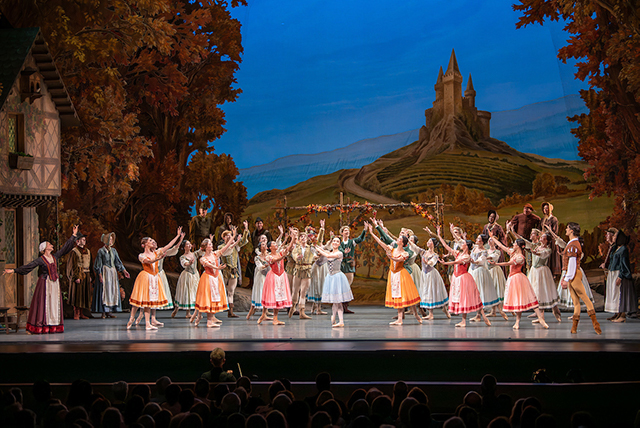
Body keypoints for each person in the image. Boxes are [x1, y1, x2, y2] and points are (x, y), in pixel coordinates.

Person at [4, 226, 79, 333]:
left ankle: (54, 325)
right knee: (45, 304)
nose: (51, 245)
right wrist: (14, 270)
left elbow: (64, 249)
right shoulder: (41, 260)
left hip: (54, 284)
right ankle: (43, 325)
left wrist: (74, 235)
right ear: (44, 248)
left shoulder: (55, 257)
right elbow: (29, 266)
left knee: (54, 304)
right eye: (49, 244)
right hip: (45, 283)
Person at [127, 227, 184, 330]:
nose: (151, 242)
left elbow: (169, 245)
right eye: (149, 241)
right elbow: (148, 262)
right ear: (144, 244)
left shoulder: (156, 252)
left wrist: (177, 235)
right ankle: (132, 318)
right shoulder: (142, 255)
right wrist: (157, 259)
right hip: (146, 277)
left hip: (154, 277)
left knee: (149, 301)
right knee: (139, 299)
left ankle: (148, 323)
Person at [366, 222, 422, 325]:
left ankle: (416, 314)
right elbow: (380, 242)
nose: (397, 239)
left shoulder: (406, 252)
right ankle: (400, 319)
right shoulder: (392, 249)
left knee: (407, 295)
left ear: (402, 242)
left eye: (400, 239)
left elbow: (400, 258)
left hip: (402, 274)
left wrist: (391, 257)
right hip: (393, 274)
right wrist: (371, 232)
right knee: (398, 295)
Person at [434, 226, 490, 328]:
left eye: (463, 244)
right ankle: (469, 319)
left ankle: (475, 318)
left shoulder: (467, 256)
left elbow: (457, 262)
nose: (461, 244)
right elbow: (446, 246)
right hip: (457, 278)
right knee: (460, 298)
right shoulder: (458, 253)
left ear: (467, 246)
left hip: (463, 278)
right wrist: (438, 235)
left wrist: (446, 262)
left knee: (466, 298)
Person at [489, 237, 549, 330]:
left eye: (515, 243)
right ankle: (517, 321)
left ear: (519, 246)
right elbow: (501, 246)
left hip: (518, 278)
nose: (513, 244)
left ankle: (541, 318)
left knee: (529, 297)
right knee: (518, 300)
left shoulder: (520, 257)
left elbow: (509, 263)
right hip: (513, 278)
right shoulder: (513, 252)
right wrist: (492, 237)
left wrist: (496, 264)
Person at [559, 222, 601, 334]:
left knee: (585, 298)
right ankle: (574, 328)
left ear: (572, 230)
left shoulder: (573, 245)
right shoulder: (572, 243)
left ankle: (595, 324)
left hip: (574, 275)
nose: (566, 230)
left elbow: (572, 265)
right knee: (576, 302)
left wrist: (566, 279)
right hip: (572, 275)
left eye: (567, 228)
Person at [192, 228, 238, 327]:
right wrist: (217, 267)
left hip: (215, 278)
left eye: (211, 244)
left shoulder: (215, 254)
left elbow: (225, 248)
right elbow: (208, 265)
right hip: (208, 278)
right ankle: (208, 321)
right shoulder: (203, 258)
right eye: (209, 244)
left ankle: (207, 317)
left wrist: (233, 237)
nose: (211, 246)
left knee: (214, 298)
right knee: (208, 298)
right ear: (205, 247)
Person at [315, 237, 354, 327]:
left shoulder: (339, 253)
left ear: (339, 244)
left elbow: (327, 256)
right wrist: (316, 246)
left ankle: (340, 320)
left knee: (338, 300)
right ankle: (335, 317)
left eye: (337, 241)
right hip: (330, 278)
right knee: (335, 301)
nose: (335, 242)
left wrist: (319, 250)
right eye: (334, 241)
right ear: (331, 243)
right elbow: (323, 253)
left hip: (337, 277)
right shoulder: (329, 252)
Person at [409, 236, 450, 320]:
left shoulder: (435, 255)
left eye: (430, 241)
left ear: (433, 244)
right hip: (424, 275)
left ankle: (445, 309)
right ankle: (431, 314)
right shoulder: (423, 252)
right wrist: (409, 241)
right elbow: (415, 247)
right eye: (428, 241)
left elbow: (433, 262)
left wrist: (428, 262)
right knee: (427, 292)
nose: (428, 242)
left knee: (435, 292)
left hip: (432, 275)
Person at [259, 234, 296, 325]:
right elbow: (275, 260)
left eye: (276, 243)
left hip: (281, 276)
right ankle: (264, 314)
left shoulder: (280, 252)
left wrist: (293, 238)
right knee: (271, 296)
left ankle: (275, 318)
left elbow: (288, 248)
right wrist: (282, 256)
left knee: (278, 297)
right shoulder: (268, 256)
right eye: (274, 243)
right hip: (273, 276)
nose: (276, 244)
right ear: (270, 247)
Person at [92, 232, 130, 318]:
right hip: (105, 272)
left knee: (112, 291)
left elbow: (118, 262)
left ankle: (109, 311)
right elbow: (98, 264)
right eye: (110, 239)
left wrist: (124, 271)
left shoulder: (114, 251)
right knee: (105, 292)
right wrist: (100, 275)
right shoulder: (101, 251)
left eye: (112, 240)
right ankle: (103, 312)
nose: (111, 241)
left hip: (112, 273)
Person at [219, 221, 250, 317]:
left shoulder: (236, 246)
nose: (229, 237)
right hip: (225, 271)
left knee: (231, 291)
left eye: (230, 235)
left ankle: (230, 311)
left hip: (233, 271)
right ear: (224, 238)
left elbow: (244, 241)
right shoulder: (221, 247)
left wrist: (246, 229)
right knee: (220, 290)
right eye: (227, 236)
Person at [469, 234, 502, 321]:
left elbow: (482, 260)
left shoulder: (484, 251)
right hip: (472, 271)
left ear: (482, 241)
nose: (477, 239)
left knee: (480, 292)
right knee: (474, 292)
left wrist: (474, 262)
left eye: (479, 239)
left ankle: (479, 315)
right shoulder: (474, 248)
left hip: (480, 271)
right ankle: (478, 314)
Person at [290, 228, 321, 320]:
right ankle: (293, 306)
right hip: (298, 269)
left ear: (307, 239)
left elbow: (318, 243)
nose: (303, 238)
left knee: (303, 292)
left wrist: (321, 229)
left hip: (307, 269)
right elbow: (295, 256)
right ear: (299, 239)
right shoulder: (296, 248)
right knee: (295, 290)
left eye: (304, 237)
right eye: (301, 237)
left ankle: (302, 311)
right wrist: (298, 258)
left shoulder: (310, 248)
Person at [608, 231, 637, 323]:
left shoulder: (623, 249)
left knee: (620, 295)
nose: (614, 238)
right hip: (614, 272)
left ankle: (622, 315)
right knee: (616, 294)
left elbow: (624, 264)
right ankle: (618, 314)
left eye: (616, 236)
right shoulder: (617, 248)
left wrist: (620, 276)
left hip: (620, 273)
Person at [338, 224, 367, 315]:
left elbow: (360, 239)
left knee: (347, 287)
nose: (347, 232)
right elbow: (338, 249)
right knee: (341, 287)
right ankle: (340, 306)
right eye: (345, 230)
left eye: (348, 230)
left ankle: (345, 306)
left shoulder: (352, 242)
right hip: (341, 266)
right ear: (342, 233)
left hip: (349, 266)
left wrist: (364, 230)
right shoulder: (339, 243)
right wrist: (343, 252)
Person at [66, 232, 93, 320]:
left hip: (86, 273)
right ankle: (76, 313)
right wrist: (75, 277)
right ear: (77, 241)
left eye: (84, 239)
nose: (84, 240)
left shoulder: (88, 251)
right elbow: (72, 266)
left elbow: (90, 264)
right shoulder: (74, 252)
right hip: (78, 274)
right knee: (77, 294)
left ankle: (82, 313)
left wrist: (90, 275)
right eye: (82, 239)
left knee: (84, 294)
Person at [171, 240, 200, 319]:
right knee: (186, 292)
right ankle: (176, 309)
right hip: (187, 275)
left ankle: (189, 312)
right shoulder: (183, 257)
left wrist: (209, 240)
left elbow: (201, 251)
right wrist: (189, 263)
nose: (189, 245)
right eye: (187, 244)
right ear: (184, 247)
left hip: (195, 275)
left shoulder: (194, 254)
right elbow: (184, 263)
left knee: (193, 292)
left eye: (190, 243)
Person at [246, 217, 273, 289]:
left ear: (262, 224)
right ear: (255, 224)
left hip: (265, 251)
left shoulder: (266, 233)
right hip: (256, 250)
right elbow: (252, 241)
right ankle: (251, 282)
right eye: (257, 223)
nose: (259, 225)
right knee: (250, 265)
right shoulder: (254, 233)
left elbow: (270, 242)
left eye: (260, 223)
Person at [600, 227, 620, 317]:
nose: (606, 236)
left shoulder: (616, 247)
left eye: (608, 234)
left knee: (615, 292)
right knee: (611, 292)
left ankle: (619, 312)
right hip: (611, 272)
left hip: (616, 272)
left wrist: (606, 265)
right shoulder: (611, 247)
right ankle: (615, 312)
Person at [540, 202, 561, 276]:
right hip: (544, 240)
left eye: (547, 208)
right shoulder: (543, 219)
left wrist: (548, 232)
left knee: (552, 257)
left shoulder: (553, 219)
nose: (545, 210)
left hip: (551, 241)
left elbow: (555, 232)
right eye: (544, 208)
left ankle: (553, 274)